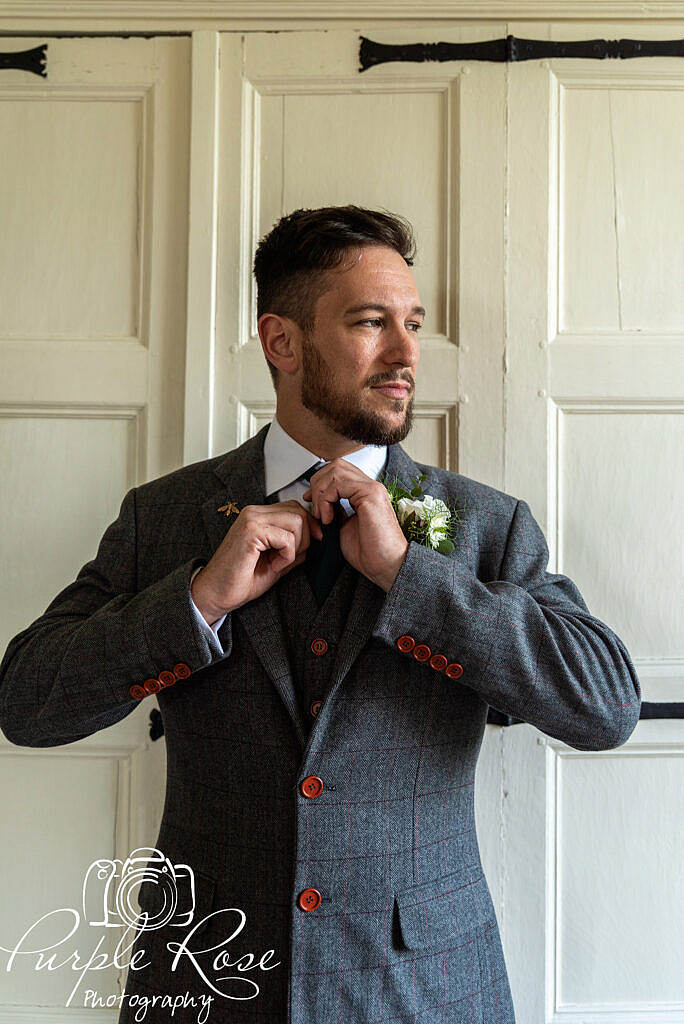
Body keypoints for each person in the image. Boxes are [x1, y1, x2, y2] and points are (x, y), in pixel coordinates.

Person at [0, 205, 641, 1023]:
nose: (409, 354)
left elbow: (605, 705)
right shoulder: (164, 518)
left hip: (424, 993)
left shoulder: (486, 524)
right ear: (283, 343)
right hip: (209, 980)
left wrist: (411, 577)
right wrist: (199, 599)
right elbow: (26, 704)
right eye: (372, 323)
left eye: (412, 323)